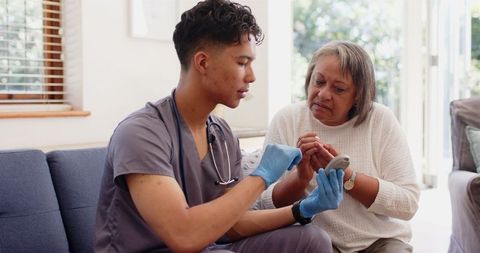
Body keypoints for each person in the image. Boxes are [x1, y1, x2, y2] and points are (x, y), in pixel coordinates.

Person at [94, 1, 345, 252]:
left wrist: (302, 209)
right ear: (202, 63)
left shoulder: (221, 135)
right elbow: (183, 236)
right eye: (242, 63)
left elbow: (231, 225)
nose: (252, 76)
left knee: (312, 239)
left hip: (208, 247)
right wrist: (262, 176)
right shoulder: (141, 133)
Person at [257, 40, 421, 253]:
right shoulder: (287, 120)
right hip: (314, 241)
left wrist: (348, 177)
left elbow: (407, 204)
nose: (323, 94)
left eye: (339, 89)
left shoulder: (380, 120)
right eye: (319, 82)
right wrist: (300, 179)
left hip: (379, 242)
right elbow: (262, 205)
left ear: (358, 97)